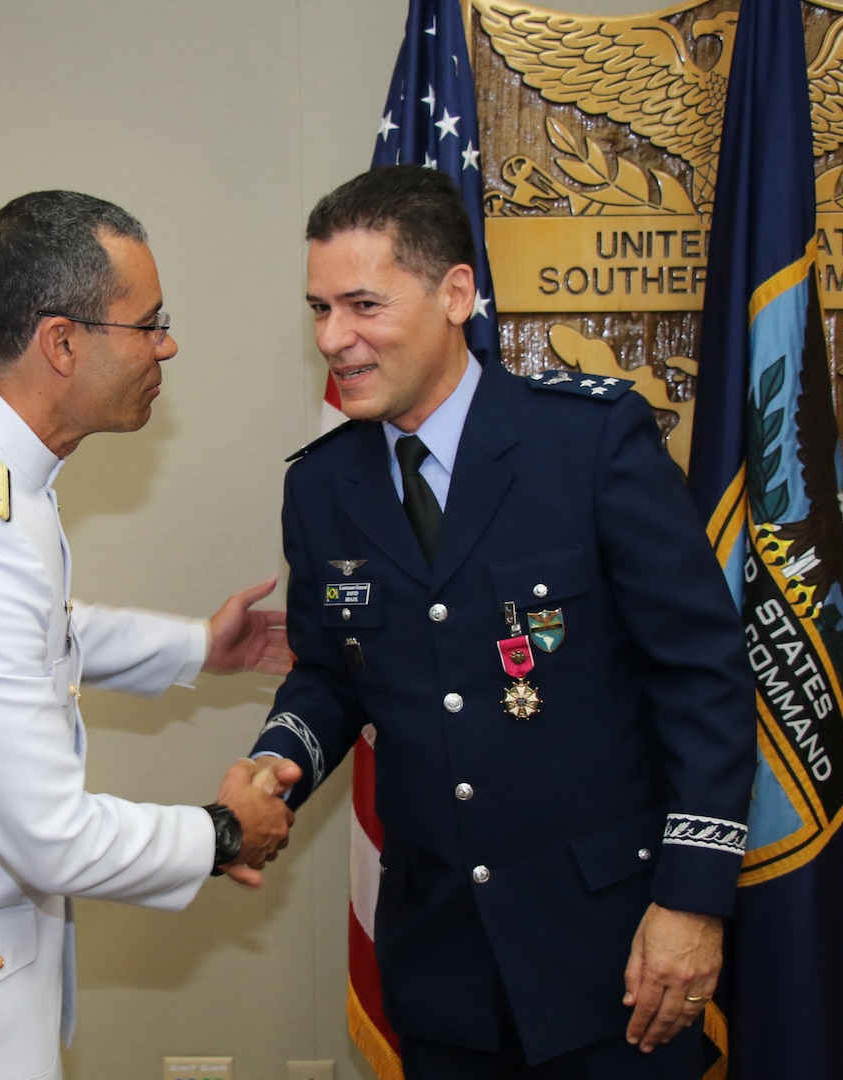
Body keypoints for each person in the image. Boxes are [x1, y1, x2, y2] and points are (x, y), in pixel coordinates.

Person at [249, 166, 757, 1079]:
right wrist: (276, 761)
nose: (334, 338)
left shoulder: (588, 444)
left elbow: (703, 676)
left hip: (615, 952)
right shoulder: (322, 486)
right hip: (441, 960)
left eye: (363, 304)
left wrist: (693, 901)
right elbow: (330, 672)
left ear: (454, 293)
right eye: (319, 309)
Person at [0, 190, 299, 1080]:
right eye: (150, 324)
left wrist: (197, 648)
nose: (168, 346)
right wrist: (224, 833)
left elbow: (24, 633)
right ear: (63, 342)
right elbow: (48, 835)